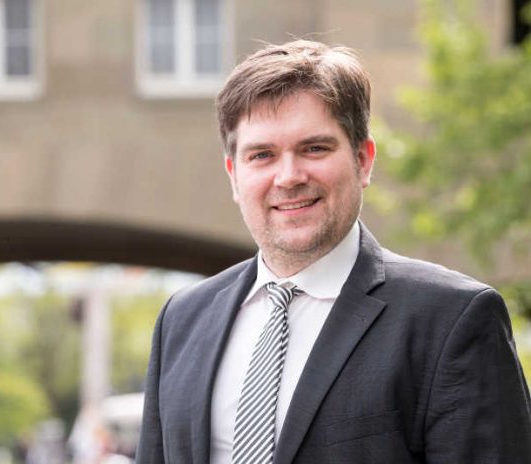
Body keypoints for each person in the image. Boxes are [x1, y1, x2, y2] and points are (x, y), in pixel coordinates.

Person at [135, 39, 531, 463]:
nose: (288, 176)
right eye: (262, 155)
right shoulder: (182, 320)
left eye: (314, 148)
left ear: (363, 159)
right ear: (234, 174)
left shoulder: (452, 320)